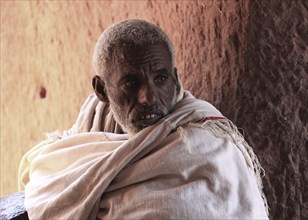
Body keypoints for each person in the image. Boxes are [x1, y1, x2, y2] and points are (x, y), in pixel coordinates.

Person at [19, 19, 269, 219]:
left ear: (175, 78)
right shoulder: (94, 125)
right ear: (101, 90)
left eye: (160, 79)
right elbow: (46, 177)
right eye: (131, 83)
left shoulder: (207, 143)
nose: (148, 97)